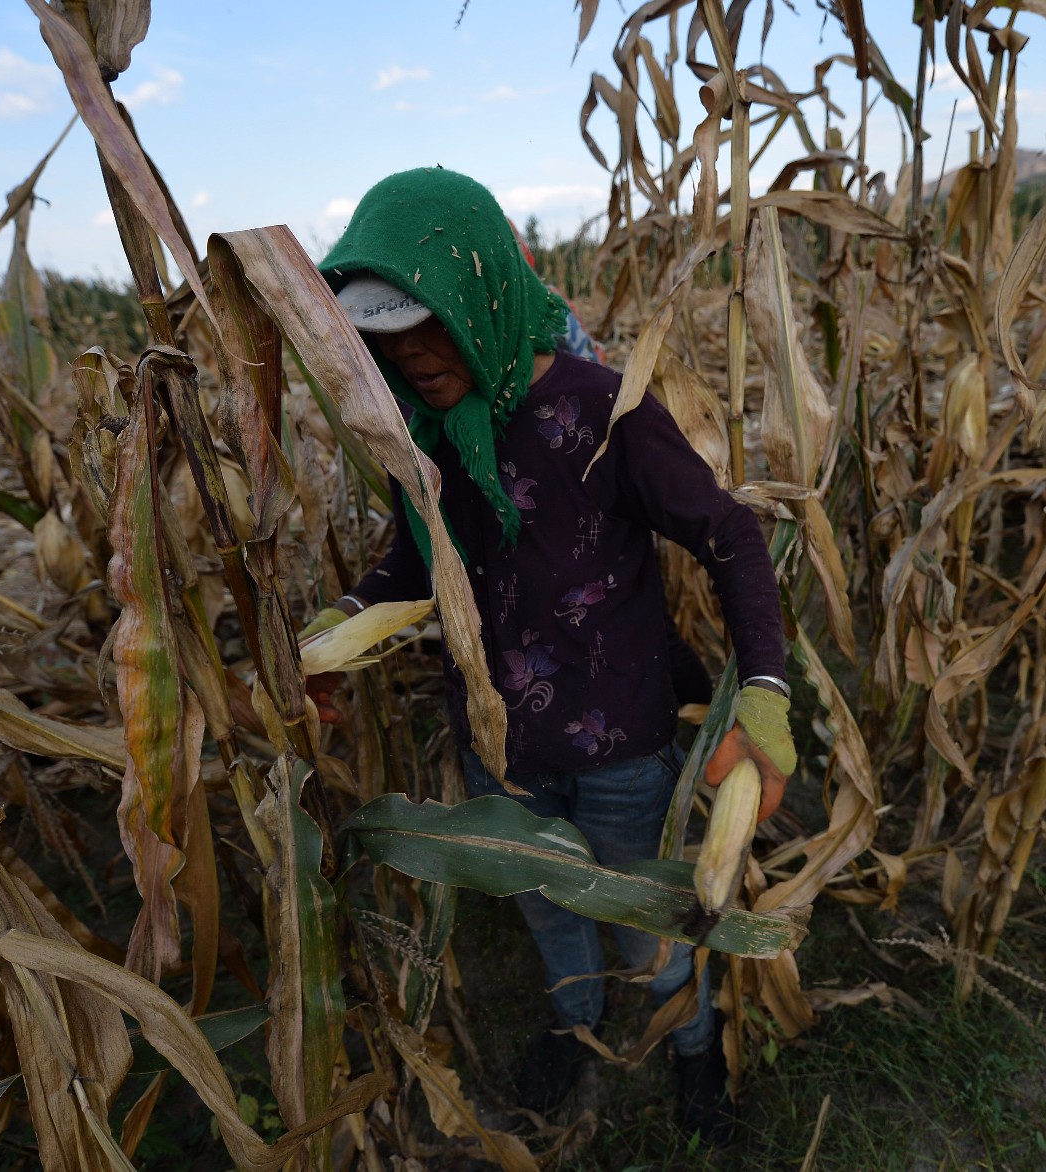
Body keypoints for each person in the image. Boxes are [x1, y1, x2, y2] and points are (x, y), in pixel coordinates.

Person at [302, 167, 797, 1143]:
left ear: (485, 299)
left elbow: (730, 535)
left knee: (643, 910)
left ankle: (690, 1047)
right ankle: (575, 1021)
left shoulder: (601, 410)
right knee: (544, 903)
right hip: (501, 748)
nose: (417, 358)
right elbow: (413, 566)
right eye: (389, 342)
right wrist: (334, 631)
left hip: (618, 738)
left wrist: (766, 696)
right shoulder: (422, 436)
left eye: (431, 327)